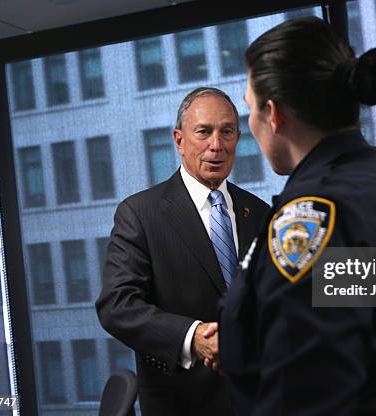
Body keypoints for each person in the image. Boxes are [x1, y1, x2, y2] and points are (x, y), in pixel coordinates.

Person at [216, 18, 376, 415]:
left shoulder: (317, 216)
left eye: (249, 110)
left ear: (273, 115)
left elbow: (307, 394)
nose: (250, 126)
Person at [96, 87, 269, 415]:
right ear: (179, 140)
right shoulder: (140, 213)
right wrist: (193, 338)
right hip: (182, 403)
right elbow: (117, 305)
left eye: (227, 132)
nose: (216, 145)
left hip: (259, 400)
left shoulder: (260, 213)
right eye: (204, 132)